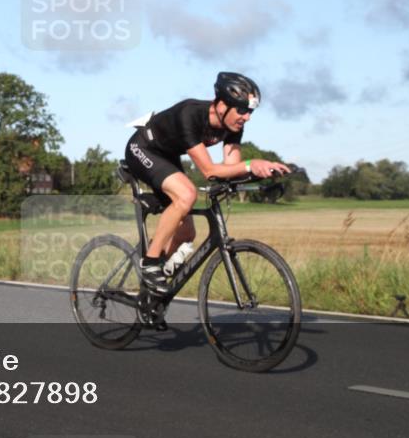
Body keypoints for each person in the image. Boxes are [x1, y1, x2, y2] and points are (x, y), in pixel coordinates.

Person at [123, 72, 290, 294]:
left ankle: (152, 292)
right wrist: (251, 164)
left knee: (186, 235)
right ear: (222, 105)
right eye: (242, 110)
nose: (247, 117)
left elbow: (231, 169)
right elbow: (210, 171)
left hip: (167, 156)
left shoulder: (233, 128)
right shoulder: (189, 114)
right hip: (142, 148)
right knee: (187, 194)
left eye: (250, 112)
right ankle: (150, 263)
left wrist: (262, 175)